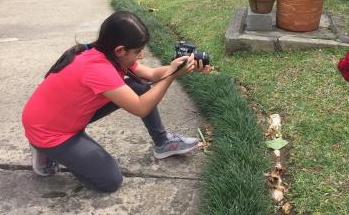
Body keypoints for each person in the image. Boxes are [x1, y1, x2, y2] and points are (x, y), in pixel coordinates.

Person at [22, 11, 210, 192]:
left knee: (139, 86)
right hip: (49, 131)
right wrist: (172, 77)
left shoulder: (106, 53)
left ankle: (163, 143)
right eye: (138, 51)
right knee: (110, 180)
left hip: (62, 115)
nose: (141, 55)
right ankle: (46, 151)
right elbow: (140, 108)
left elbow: (151, 75)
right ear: (120, 50)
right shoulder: (98, 68)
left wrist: (177, 67)